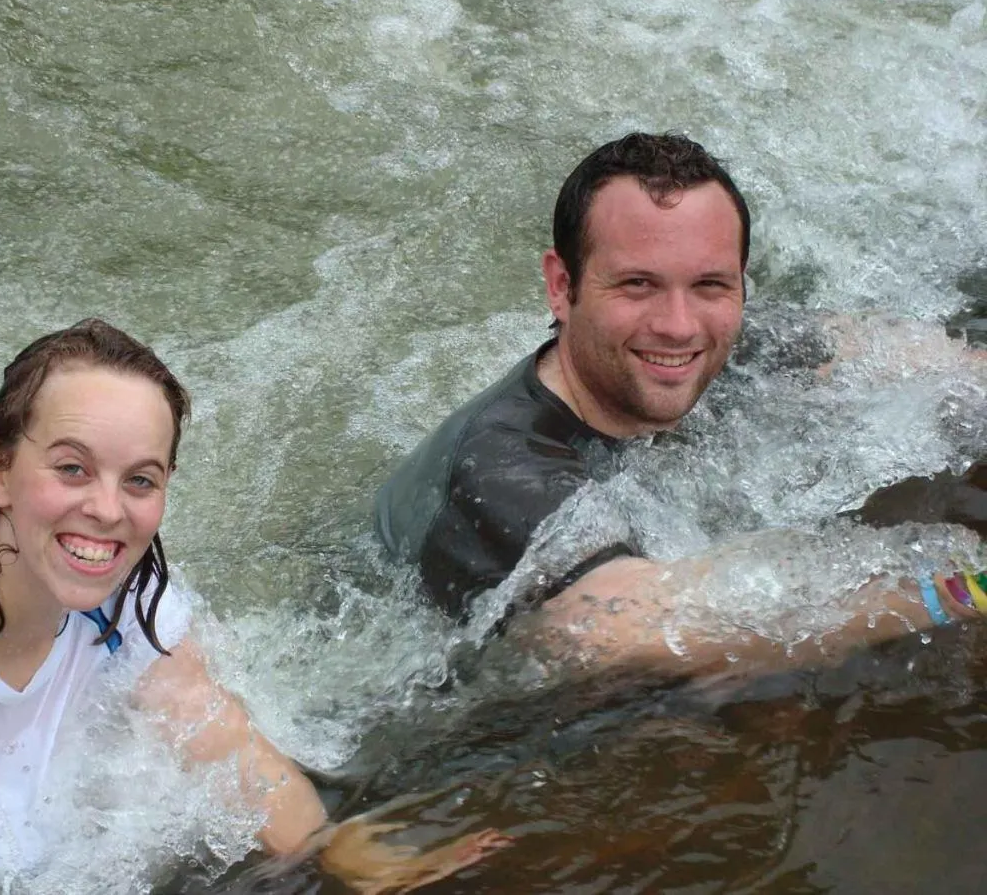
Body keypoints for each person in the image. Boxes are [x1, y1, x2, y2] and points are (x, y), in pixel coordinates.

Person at [0, 319, 508, 894]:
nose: (107, 511)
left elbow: (216, 734)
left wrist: (335, 853)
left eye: (140, 480)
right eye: (71, 468)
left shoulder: (129, 596)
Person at [374, 132, 985, 674]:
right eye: (638, 284)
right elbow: (643, 630)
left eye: (710, 285)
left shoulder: (727, 343)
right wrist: (964, 592)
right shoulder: (503, 470)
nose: (678, 325)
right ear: (563, 287)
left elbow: (927, 362)